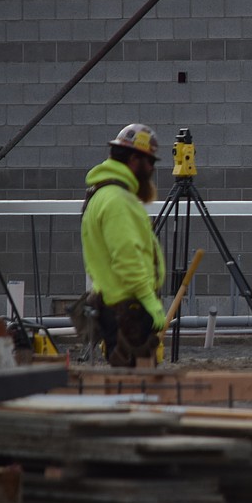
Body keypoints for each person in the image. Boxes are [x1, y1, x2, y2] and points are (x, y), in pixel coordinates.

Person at [78, 123, 167, 367]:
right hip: (128, 309)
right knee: (136, 386)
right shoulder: (117, 201)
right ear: (134, 159)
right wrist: (149, 300)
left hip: (116, 305)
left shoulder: (102, 194)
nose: (151, 169)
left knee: (127, 385)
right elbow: (126, 257)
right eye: (149, 162)